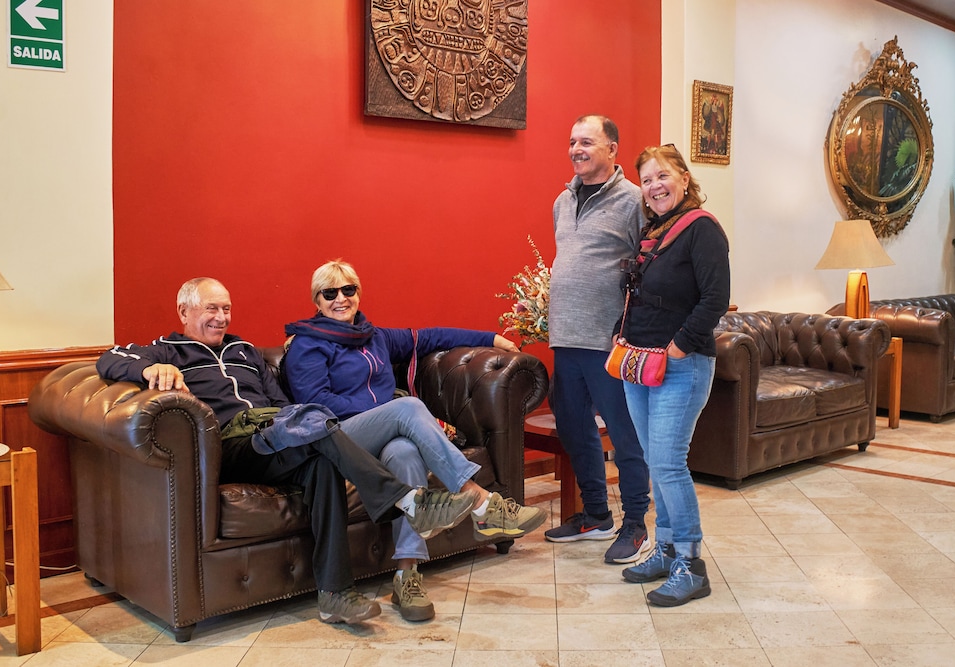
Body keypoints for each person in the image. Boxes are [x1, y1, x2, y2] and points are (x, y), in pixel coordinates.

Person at [96, 277, 482, 625]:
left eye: (226, 308)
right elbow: (110, 357)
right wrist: (148, 371)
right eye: (211, 308)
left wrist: (295, 422)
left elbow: (280, 402)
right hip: (232, 443)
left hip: (274, 434)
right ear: (184, 311)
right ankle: (410, 501)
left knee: (321, 462)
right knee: (311, 424)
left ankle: (334, 594)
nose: (221, 317)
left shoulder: (245, 351)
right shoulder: (166, 352)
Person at [283, 259, 547, 622]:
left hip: (381, 436)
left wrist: (492, 339)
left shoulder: (374, 337)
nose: (340, 299)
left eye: (348, 289)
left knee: (406, 453)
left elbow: (431, 337)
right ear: (317, 300)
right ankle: (482, 502)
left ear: (359, 293)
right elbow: (315, 402)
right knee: (406, 408)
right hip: (339, 439)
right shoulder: (307, 344)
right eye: (329, 293)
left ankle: (406, 576)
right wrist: (382, 411)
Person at [618, 144, 729, 606]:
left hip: (681, 365)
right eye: (646, 180)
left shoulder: (702, 228)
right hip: (639, 363)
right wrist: (621, 334)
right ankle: (664, 549)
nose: (655, 186)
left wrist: (678, 346)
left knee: (668, 462)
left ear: (684, 177)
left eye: (662, 175)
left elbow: (715, 298)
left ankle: (690, 564)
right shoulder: (653, 232)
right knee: (653, 459)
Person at [544, 114, 652, 566]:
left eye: (586, 142)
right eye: (572, 142)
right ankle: (595, 515)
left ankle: (636, 524)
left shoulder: (634, 200)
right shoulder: (562, 201)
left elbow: (648, 266)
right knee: (574, 428)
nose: (576, 150)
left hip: (610, 343)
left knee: (625, 436)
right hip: (566, 337)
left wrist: (630, 327)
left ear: (612, 149)